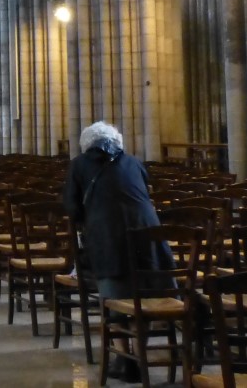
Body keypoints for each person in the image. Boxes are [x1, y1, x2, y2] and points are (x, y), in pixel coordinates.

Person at [62, 120, 168, 382]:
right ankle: (140, 352)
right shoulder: (133, 162)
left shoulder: (79, 165)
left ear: (87, 145)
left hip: (110, 241)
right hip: (150, 240)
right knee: (143, 294)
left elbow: (72, 209)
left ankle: (125, 359)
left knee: (114, 297)